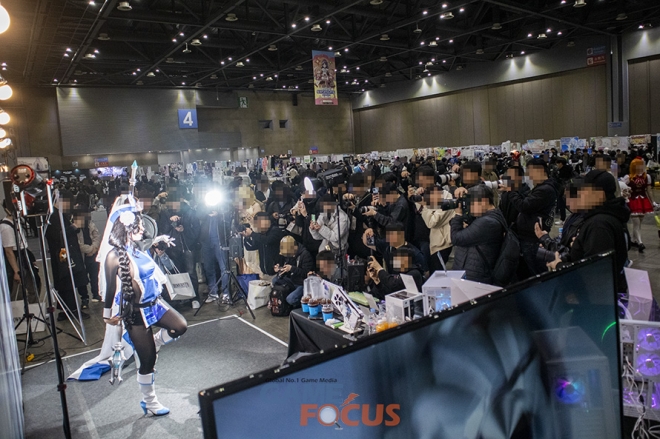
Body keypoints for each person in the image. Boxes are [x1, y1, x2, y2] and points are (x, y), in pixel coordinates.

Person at [102, 206, 187, 416]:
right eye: (139, 226)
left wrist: (161, 239)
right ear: (127, 228)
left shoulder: (137, 248)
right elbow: (110, 288)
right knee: (148, 361)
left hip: (156, 304)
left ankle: (156, 341)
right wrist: (107, 315)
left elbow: (149, 245)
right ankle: (149, 402)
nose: (143, 229)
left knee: (180, 326)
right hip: (135, 313)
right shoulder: (113, 256)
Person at [547, 170, 631, 292]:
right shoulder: (598, 218)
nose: (580, 195)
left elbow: (595, 272)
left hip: (597, 297)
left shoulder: (599, 224)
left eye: (584, 191)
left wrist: (559, 266)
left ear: (599, 195)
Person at [507, 158, 559, 275]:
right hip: (530, 237)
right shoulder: (541, 187)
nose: (529, 176)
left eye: (530, 172)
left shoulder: (545, 190)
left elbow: (524, 206)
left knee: (536, 271)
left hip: (533, 238)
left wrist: (511, 191)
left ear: (540, 170)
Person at [450, 185, 506, 285]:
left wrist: (458, 215)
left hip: (476, 278)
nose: (469, 207)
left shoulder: (487, 222)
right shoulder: (487, 216)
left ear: (484, 201)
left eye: (471, 203)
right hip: (472, 272)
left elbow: (456, 238)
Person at [199, 197, 234, 304]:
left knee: (224, 268)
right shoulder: (203, 207)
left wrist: (219, 214)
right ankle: (213, 292)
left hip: (220, 241)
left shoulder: (223, 207)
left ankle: (226, 293)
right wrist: (205, 208)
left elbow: (228, 221)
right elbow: (197, 216)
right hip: (206, 241)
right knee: (208, 267)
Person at [363, 223, 427, 275]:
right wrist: (367, 233)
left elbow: (425, 273)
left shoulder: (415, 253)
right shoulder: (386, 245)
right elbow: (368, 243)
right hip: (391, 281)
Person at [622, 157, 657, 253]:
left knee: (638, 223)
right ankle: (640, 243)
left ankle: (634, 240)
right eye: (638, 165)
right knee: (637, 223)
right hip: (633, 201)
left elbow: (649, 190)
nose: (641, 167)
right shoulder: (628, 177)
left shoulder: (647, 177)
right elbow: (623, 189)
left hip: (643, 201)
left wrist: (653, 202)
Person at [420, 186, 455, 272]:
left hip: (443, 244)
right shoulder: (434, 206)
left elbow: (431, 222)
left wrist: (424, 207)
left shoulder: (448, 204)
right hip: (436, 244)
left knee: (440, 273)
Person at [272, 236, 314, 306]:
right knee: (275, 280)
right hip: (292, 280)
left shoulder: (305, 255)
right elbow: (286, 266)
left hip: (302, 283)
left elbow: (306, 273)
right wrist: (280, 269)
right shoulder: (289, 254)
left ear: (294, 248)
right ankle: (285, 299)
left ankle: (300, 304)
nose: (287, 256)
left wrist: (292, 268)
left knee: (291, 299)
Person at [242, 211, 284, 278]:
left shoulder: (276, 231)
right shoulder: (261, 234)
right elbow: (251, 247)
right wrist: (247, 237)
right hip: (264, 272)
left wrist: (252, 234)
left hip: (277, 273)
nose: (257, 226)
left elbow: (267, 240)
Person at [74, 211, 102, 303]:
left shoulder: (90, 225)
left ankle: (96, 294)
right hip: (81, 256)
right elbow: (78, 245)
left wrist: (94, 249)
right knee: (82, 277)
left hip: (93, 255)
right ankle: (84, 297)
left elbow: (97, 237)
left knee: (95, 275)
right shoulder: (75, 229)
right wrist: (90, 250)